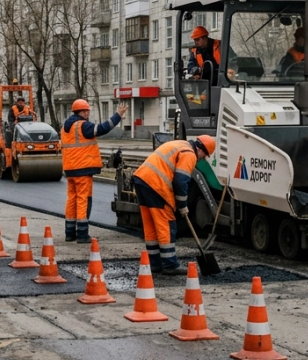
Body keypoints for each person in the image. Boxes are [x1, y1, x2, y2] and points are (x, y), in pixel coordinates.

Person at [132, 135, 216, 275]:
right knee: (166, 224)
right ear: (201, 150)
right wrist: (182, 205)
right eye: (204, 156)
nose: (202, 159)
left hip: (141, 180)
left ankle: (155, 264)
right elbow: (181, 181)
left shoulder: (180, 144)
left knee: (151, 224)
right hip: (156, 185)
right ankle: (170, 264)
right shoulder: (189, 154)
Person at [61, 99, 127, 244]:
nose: (87, 113)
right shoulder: (82, 125)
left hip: (70, 169)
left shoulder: (66, 127)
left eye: (88, 111)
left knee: (72, 199)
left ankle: (69, 232)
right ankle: (83, 234)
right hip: (83, 169)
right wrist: (117, 116)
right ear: (79, 112)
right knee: (84, 199)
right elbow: (102, 129)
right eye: (85, 111)